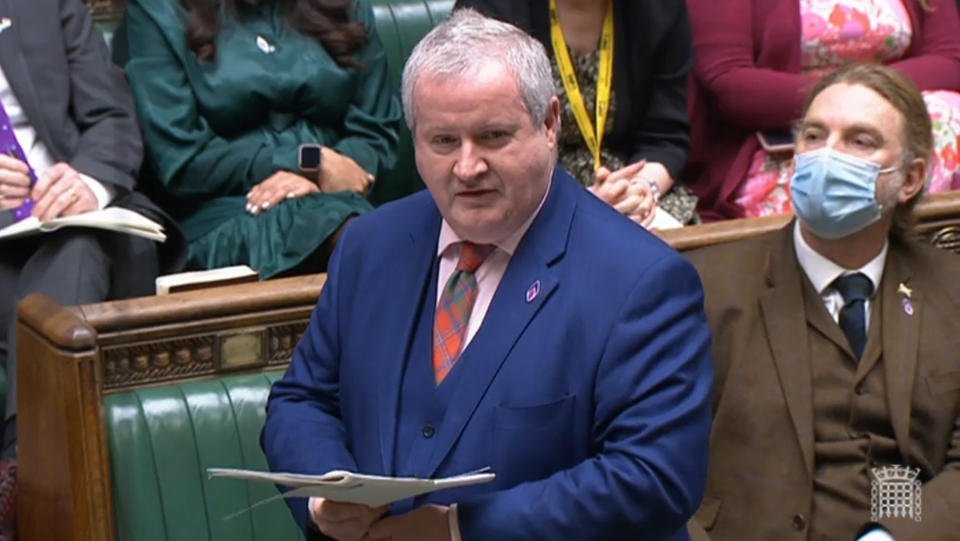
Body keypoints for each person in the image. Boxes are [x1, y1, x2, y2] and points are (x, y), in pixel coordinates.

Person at [262, 9, 713, 541]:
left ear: (550, 124)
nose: (467, 167)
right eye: (443, 142)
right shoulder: (370, 245)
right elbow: (303, 401)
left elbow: (654, 477)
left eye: (493, 136)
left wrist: (458, 530)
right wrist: (323, 495)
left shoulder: (644, 281)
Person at [686, 64, 960, 540]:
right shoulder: (705, 289)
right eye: (814, 135)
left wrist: (898, 536)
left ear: (911, 179)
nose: (826, 156)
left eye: (860, 141)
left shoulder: (952, 289)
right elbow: (652, 460)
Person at [0, 1, 184, 539]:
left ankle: (20, 468)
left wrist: (88, 181)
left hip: (74, 220)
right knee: (77, 264)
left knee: (82, 245)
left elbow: (111, 114)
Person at [114, 0, 402, 278]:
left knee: (385, 235)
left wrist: (320, 178)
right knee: (363, 243)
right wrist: (310, 161)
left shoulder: (345, 6)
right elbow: (182, 158)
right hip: (223, 211)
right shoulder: (158, 9)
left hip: (340, 198)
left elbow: (376, 129)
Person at [684, 0, 960, 221]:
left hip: (896, 122)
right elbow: (728, 82)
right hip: (781, 142)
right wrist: (841, 99)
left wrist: (867, 98)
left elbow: (950, 59)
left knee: (947, 115)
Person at [453, 0, 699, 228]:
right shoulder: (491, 9)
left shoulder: (658, 8)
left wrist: (641, 188)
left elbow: (666, 136)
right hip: (527, 195)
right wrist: (579, 204)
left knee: (686, 261)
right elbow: (484, 143)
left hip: (629, 186)